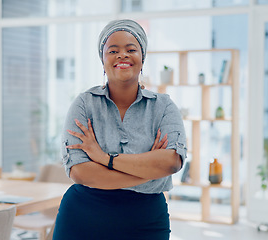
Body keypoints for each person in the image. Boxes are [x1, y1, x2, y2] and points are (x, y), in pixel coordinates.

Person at [53, 19, 187, 240]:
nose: (122, 55)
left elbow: (172, 162)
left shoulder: (163, 106)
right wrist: (149, 173)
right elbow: (79, 171)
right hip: (82, 218)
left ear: (142, 58)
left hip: (146, 221)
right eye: (113, 50)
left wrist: (105, 158)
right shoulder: (84, 104)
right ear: (103, 60)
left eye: (131, 49)